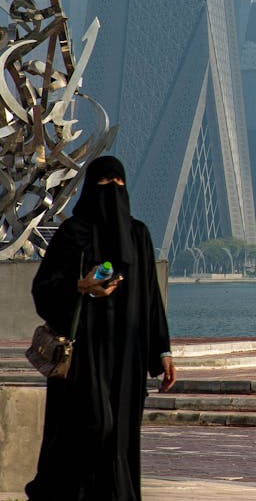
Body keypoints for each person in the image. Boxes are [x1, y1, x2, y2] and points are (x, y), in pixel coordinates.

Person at [27, 155, 174, 501]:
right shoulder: (72, 234)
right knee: (90, 427)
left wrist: (163, 351)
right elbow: (43, 288)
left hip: (127, 359)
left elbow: (151, 298)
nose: (112, 191)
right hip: (84, 356)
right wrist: (80, 287)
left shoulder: (138, 235)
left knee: (119, 434)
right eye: (105, 185)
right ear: (91, 188)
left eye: (119, 185)